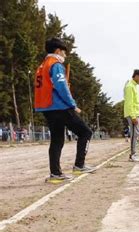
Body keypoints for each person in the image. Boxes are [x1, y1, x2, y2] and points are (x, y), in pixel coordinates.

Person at [34, 37, 94, 180]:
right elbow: (61, 87)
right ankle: (79, 165)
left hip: (46, 107)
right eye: (64, 53)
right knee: (85, 132)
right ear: (58, 51)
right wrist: (73, 104)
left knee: (57, 140)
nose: (65, 56)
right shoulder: (55, 64)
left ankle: (55, 173)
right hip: (59, 106)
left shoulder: (42, 66)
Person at [124, 69, 139, 162]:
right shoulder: (130, 86)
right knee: (134, 134)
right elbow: (129, 103)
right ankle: (133, 155)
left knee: (136, 134)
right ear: (137, 76)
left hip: (136, 114)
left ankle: (134, 153)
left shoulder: (134, 86)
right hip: (132, 114)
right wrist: (133, 117)